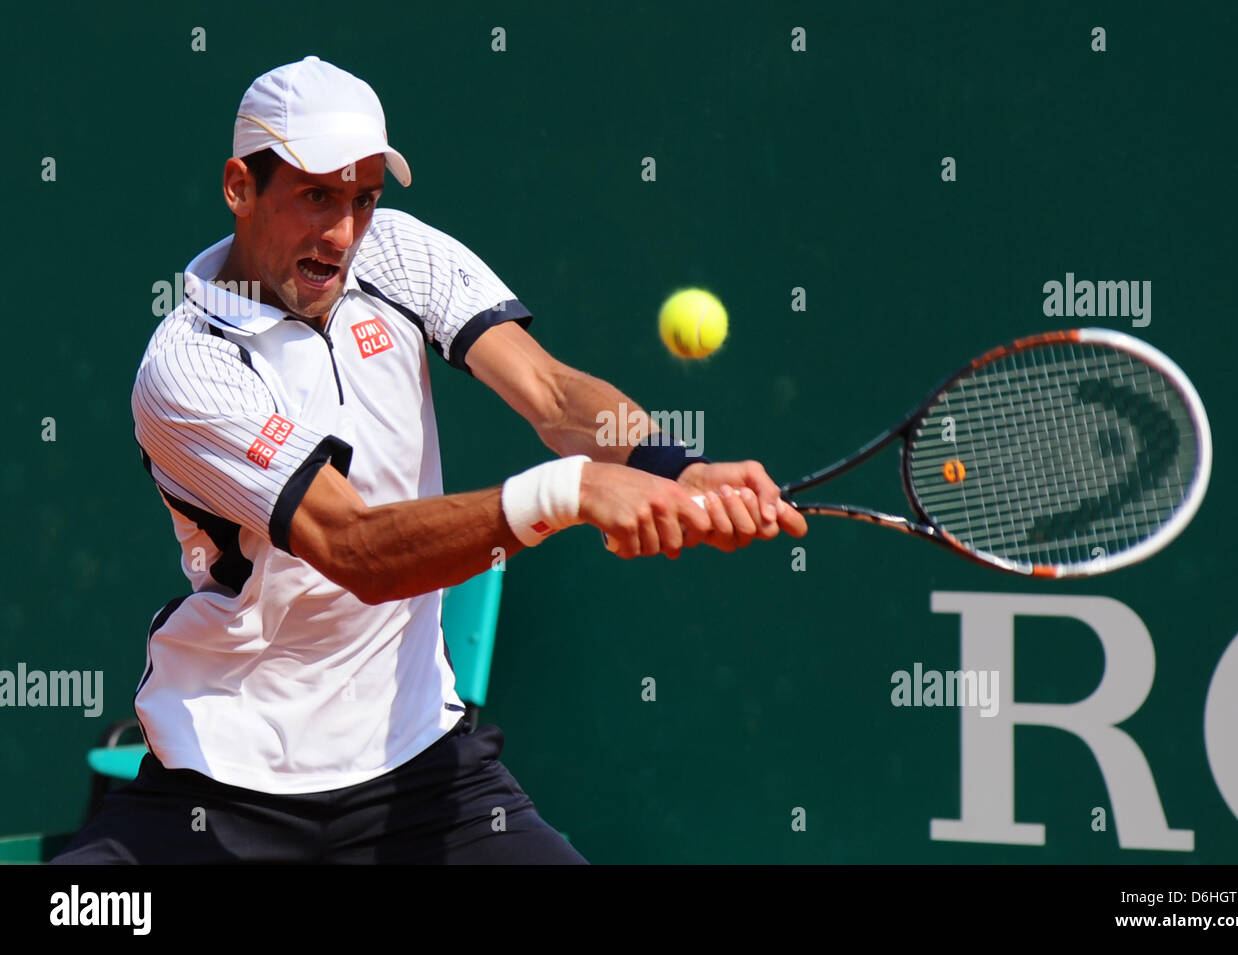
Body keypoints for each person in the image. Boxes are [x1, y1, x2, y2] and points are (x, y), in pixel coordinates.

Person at [52, 56, 805, 864]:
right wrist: (572, 493)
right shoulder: (185, 368)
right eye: (316, 196)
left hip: (421, 772)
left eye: (363, 200)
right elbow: (356, 549)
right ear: (240, 187)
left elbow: (550, 393)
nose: (342, 234)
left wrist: (672, 466)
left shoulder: (398, 257)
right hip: (226, 782)